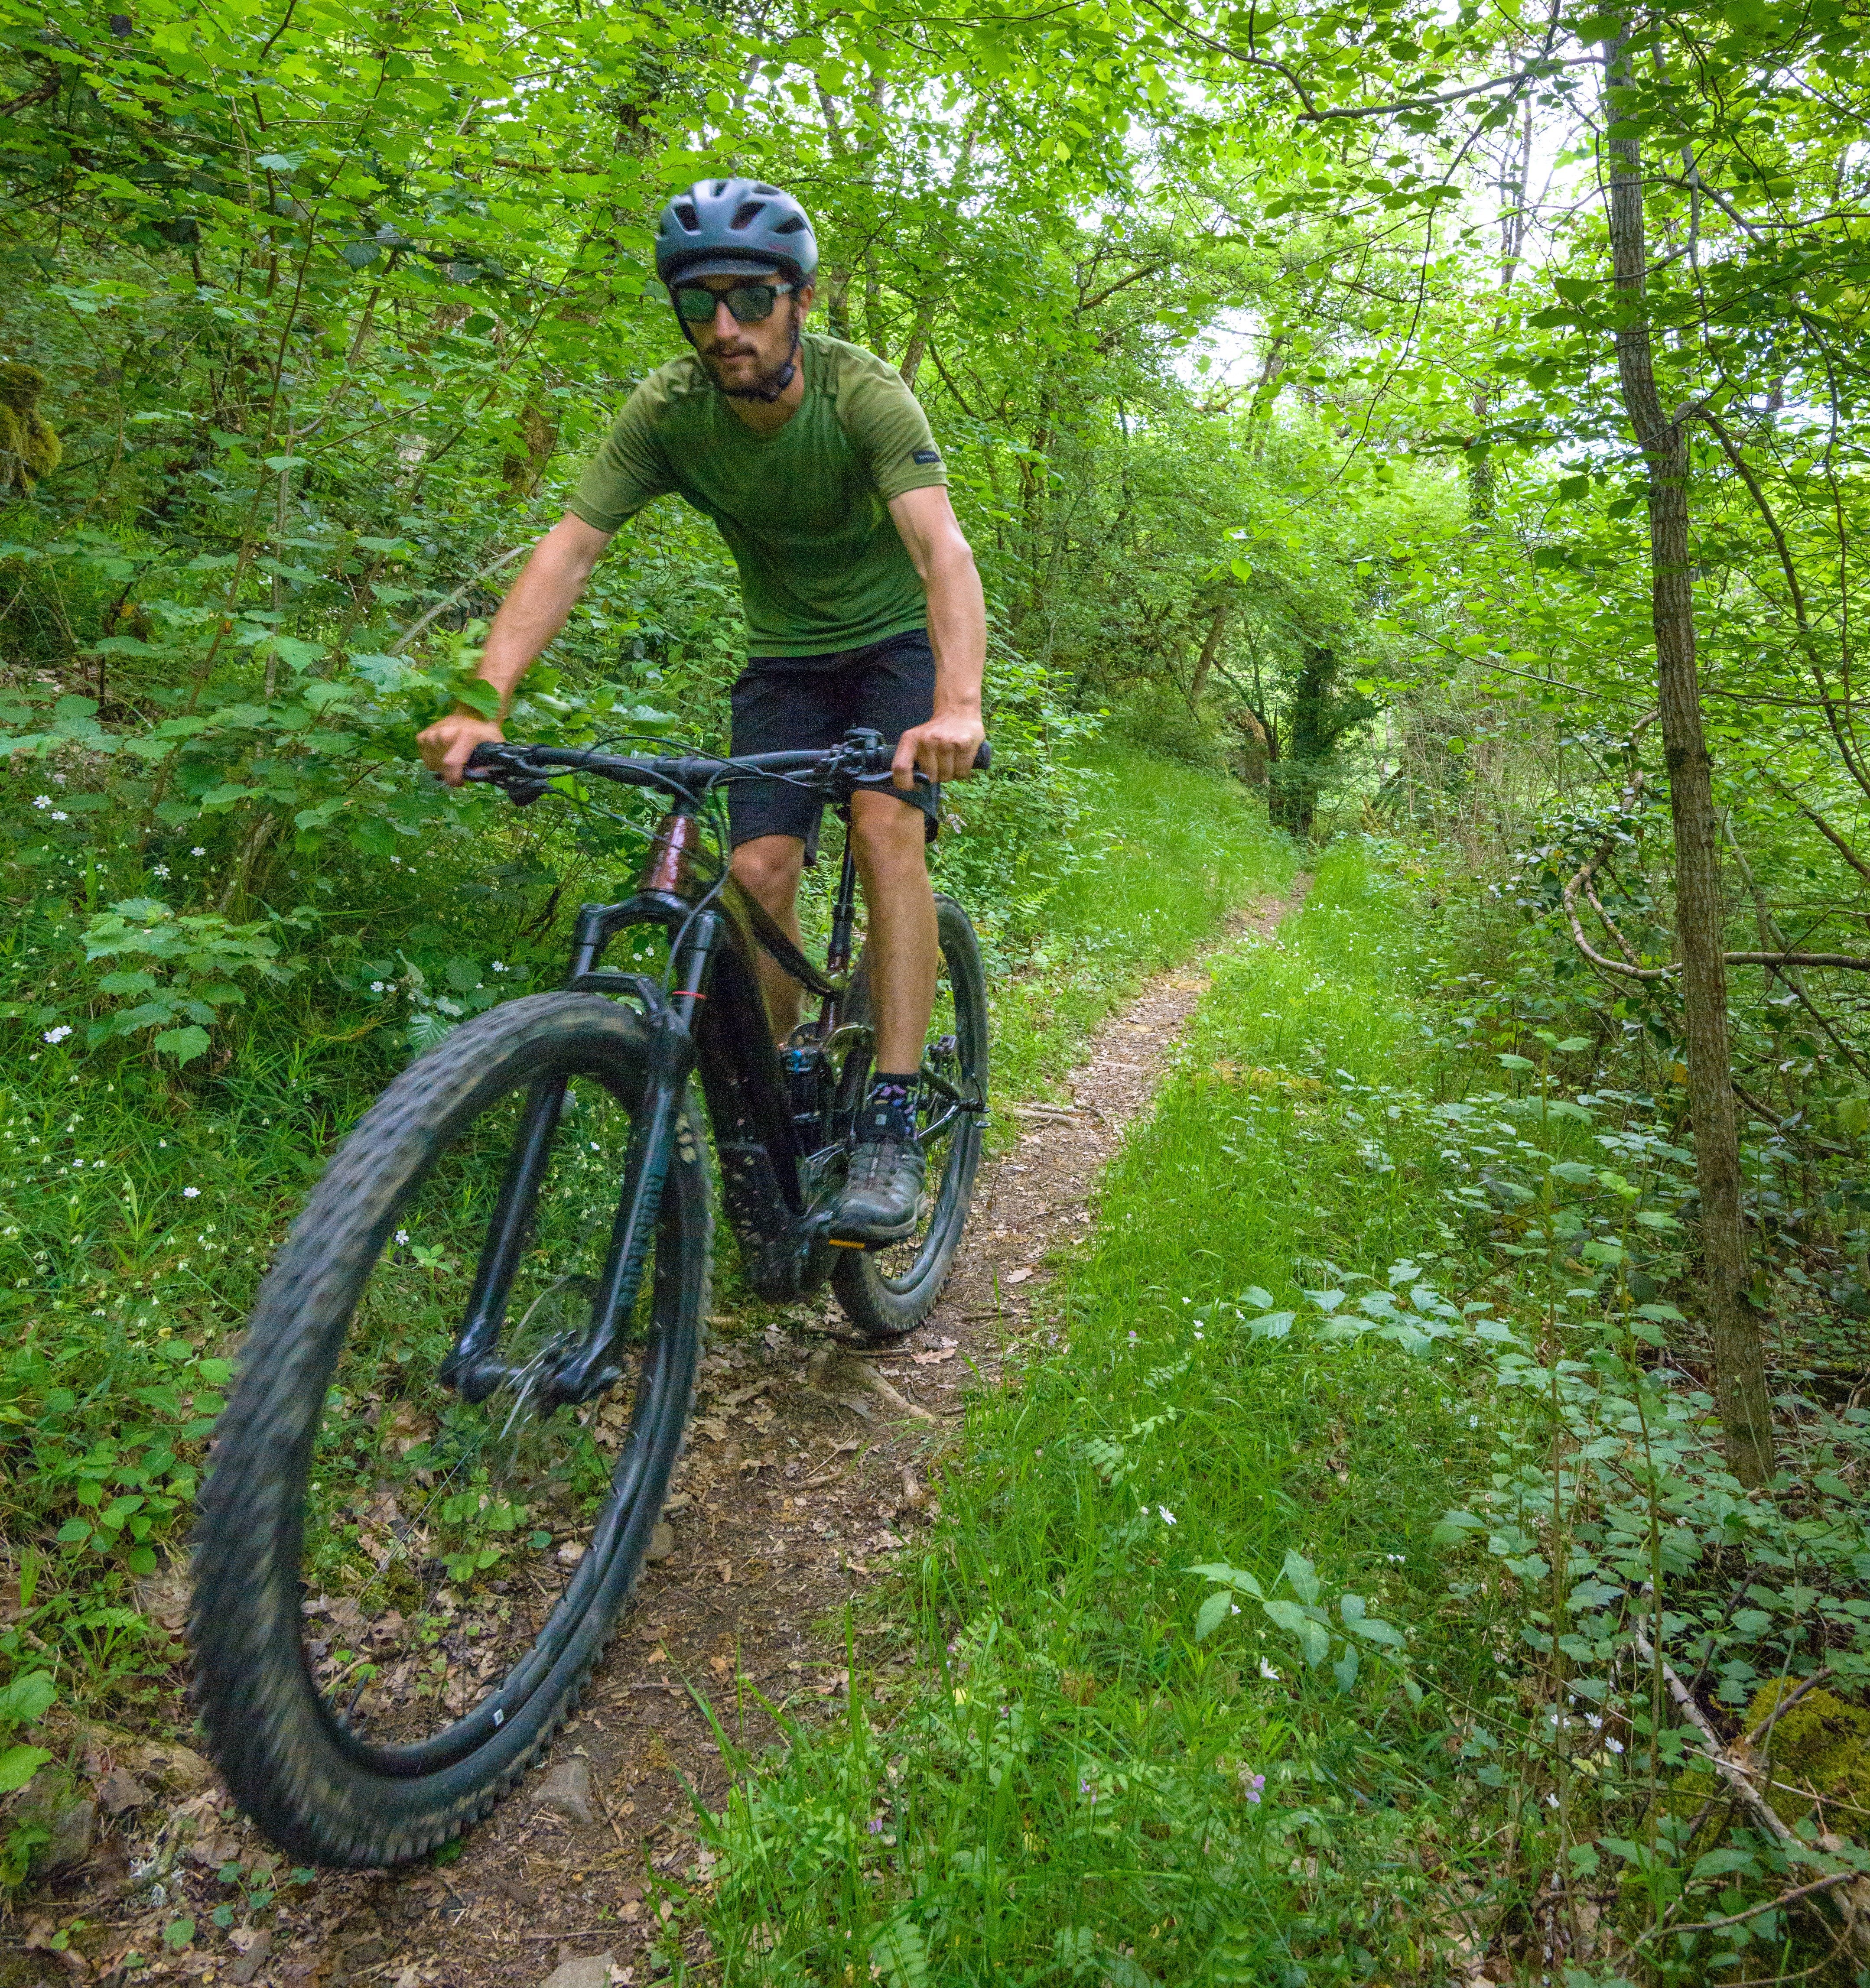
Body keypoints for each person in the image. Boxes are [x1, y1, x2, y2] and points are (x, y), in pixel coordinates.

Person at [418, 176, 987, 1244]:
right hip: (786, 658)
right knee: (760, 866)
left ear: (801, 301)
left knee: (882, 825)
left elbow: (939, 549)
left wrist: (956, 704)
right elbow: (570, 548)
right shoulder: (670, 412)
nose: (724, 326)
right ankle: (779, 1099)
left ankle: (893, 1115)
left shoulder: (862, 395)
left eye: (751, 298)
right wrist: (478, 703)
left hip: (897, 646)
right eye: (699, 303)